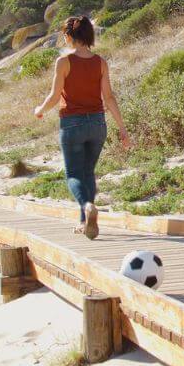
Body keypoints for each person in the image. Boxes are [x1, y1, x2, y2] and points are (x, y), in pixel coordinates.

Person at [34, 15, 130, 239]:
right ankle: (84, 222)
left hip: (73, 124)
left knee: (73, 174)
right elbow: (109, 97)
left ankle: (87, 206)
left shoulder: (64, 62)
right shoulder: (101, 62)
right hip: (98, 123)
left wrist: (39, 110)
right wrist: (123, 128)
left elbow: (55, 95)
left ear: (69, 37)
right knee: (87, 172)